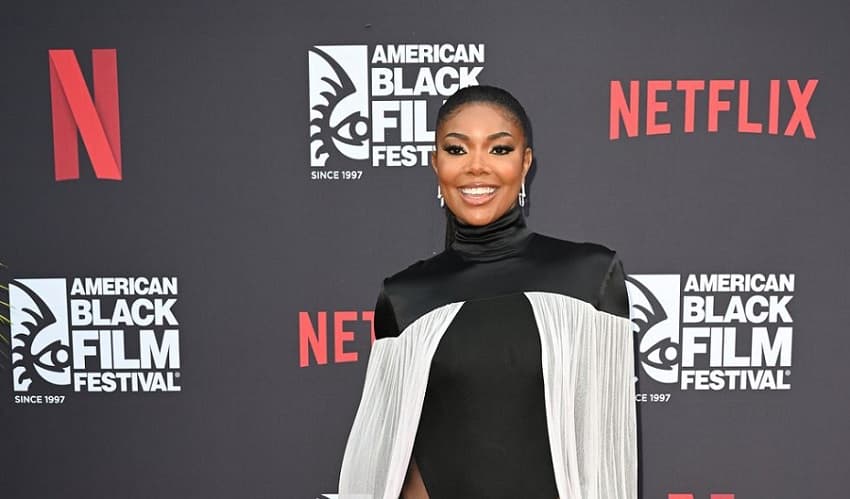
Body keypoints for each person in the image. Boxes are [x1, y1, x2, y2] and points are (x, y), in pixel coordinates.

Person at [338, 85, 637, 499]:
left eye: (499, 149)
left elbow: (607, 454)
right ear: (436, 163)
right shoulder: (402, 297)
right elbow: (397, 463)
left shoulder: (592, 277)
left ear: (525, 162)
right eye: (457, 150)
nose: (476, 167)